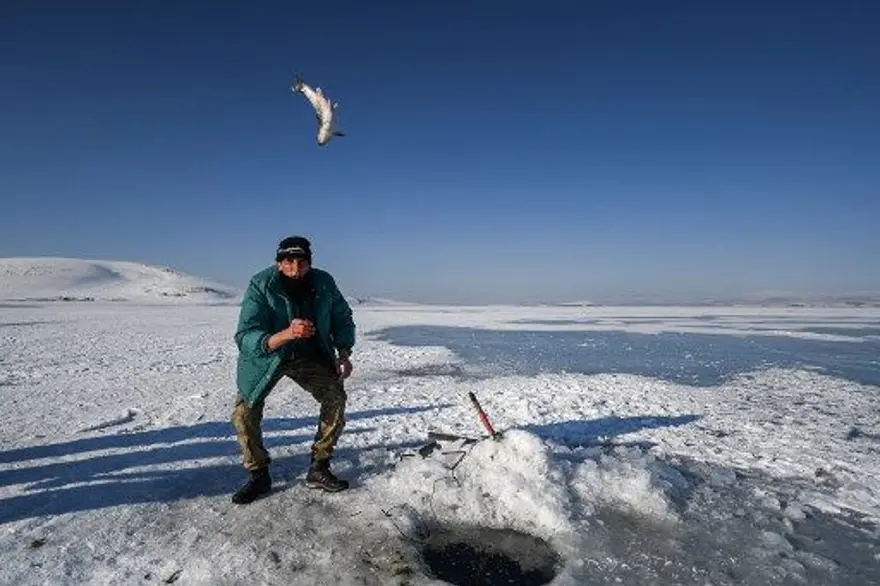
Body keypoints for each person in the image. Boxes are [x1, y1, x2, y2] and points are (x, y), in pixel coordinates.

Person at [230, 235, 356, 504]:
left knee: (335, 398)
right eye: (289, 260)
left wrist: (343, 352)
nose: (295, 267)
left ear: (309, 263)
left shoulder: (323, 282)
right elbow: (245, 335)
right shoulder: (261, 284)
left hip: (310, 354)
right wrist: (286, 334)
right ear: (279, 263)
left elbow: (342, 317)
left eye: (301, 261)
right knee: (244, 412)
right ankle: (258, 475)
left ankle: (319, 467)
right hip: (268, 355)